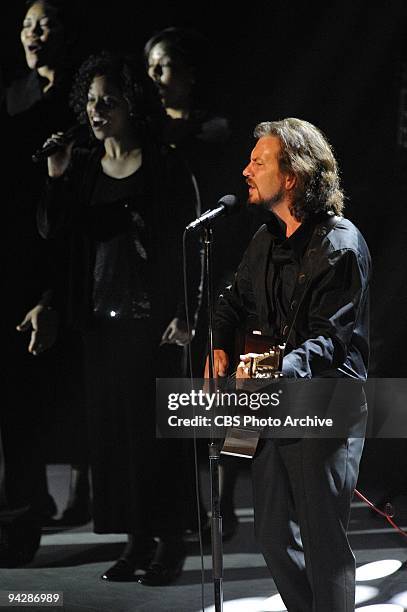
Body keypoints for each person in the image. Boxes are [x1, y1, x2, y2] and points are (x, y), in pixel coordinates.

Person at [37, 51, 202, 585]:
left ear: (131, 104)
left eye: (108, 100)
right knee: (115, 438)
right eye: (90, 100)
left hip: (153, 320)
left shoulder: (165, 164)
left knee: (158, 436)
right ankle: (135, 543)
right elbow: (54, 235)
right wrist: (57, 176)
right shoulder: (81, 164)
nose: (97, 110)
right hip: (101, 322)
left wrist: (187, 312)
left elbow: (192, 243)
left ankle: (171, 541)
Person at [206, 118, 370, 611]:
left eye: (259, 161)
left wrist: (278, 367)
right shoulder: (265, 239)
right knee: (274, 538)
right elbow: (231, 302)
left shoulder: (338, 246)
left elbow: (329, 343)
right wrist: (218, 344)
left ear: (293, 175)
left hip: (324, 403)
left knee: (324, 544)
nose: (245, 169)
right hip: (272, 403)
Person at [0, 0, 81, 566]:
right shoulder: (11, 96)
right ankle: (22, 516)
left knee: (41, 398)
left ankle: (36, 513)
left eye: (44, 22)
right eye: (26, 23)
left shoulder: (81, 99)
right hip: (15, 252)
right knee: (15, 400)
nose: (33, 32)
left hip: (63, 252)